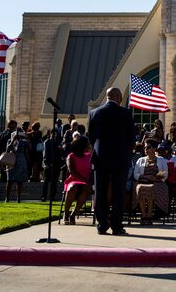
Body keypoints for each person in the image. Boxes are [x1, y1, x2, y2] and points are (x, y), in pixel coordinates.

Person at [88, 87, 136, 236]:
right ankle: (116, 225)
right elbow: (131, 138)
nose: (122, 99)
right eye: (121, 96)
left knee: (100, 192)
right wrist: (127, 151)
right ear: (116, 96)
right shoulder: (126, 113)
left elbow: (91, 137)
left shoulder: (95, 113)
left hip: (101, 158)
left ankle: (102, 225)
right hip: (120, 159)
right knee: (118, 193)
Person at [134, 139, 169, 225]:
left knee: (151, 188)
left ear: (154, 149)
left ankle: (149, 215)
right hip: (143, 181)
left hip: (157, 183)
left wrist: (156, 178)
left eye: (148, 147)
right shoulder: (140, 160)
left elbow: (165, 174)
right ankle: (144, 215)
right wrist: (145, 177)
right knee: (140, 188)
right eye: (145, 147)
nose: (145, 149)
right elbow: (135, 174)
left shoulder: (161, 160)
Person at [62, 134, 92, 224]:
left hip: (85, 183)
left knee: (85, 189)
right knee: (73, 187)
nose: (89, 145)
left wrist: (88, 181)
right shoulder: (71, 156)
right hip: (73, 180)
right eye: (87, 144)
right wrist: (85, 180)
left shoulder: (89, 156)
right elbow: (72, 172)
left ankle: (73, 214)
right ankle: (66, 213)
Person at [5, 129, 30, 202]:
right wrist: (13, 139)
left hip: (21, 161)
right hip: (11, 161)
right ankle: (7, 198)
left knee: (19, 181)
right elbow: (7, 149)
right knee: (9, 181)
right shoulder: (10, 140)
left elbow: (29, 148)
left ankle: (18, 198)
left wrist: (27, 138)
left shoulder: (23, 141)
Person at [41, 129, 63, 201]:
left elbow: (61, 153)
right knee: (46, 181)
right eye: (53, 133)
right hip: (49, 163)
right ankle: (44, 196)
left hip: (56, 164)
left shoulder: (58, 142)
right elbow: (45, 153)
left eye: (55, 133)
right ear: (50, 134)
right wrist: (46, 163)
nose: (54, 135)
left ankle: (52, 196)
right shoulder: (47, 142)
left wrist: (60, 149)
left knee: (54, 181)